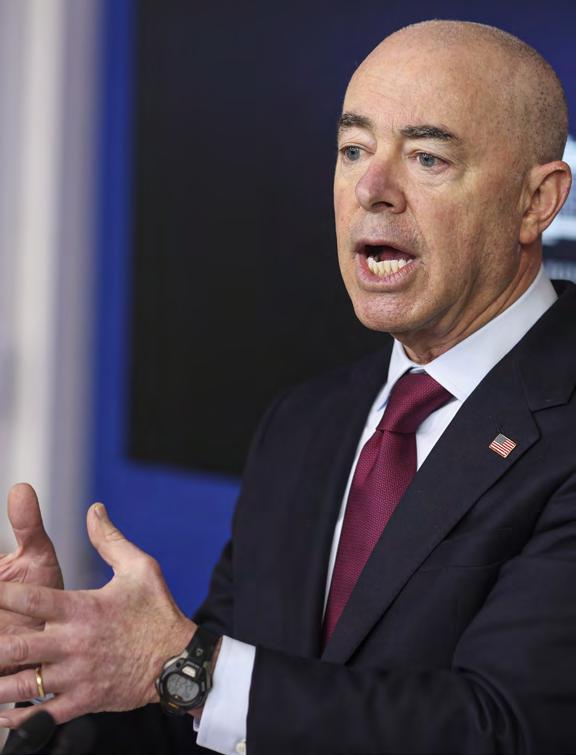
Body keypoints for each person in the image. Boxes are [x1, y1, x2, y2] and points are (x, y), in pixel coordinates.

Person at [0, 17, 575, 754]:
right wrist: (62, 673)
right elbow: (209, 718)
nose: (372, 188)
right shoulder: (306, 423)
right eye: (353, 150)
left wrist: (187, 667)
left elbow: (506, 730)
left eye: (427, 157)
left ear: (537, 201)